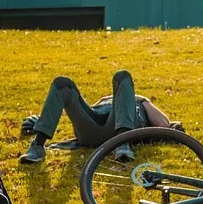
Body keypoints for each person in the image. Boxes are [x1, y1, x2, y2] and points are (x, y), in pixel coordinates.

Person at [19, 70, 172, 164]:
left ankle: (123, 143)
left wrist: (141, 99)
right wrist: (40, 121)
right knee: (62, 83)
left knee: (123, 76)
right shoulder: (105, 100)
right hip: (93, 126)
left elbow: (163, 124)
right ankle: (37, 145)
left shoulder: (139, 102)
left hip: (121, 130)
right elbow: (81, 111)